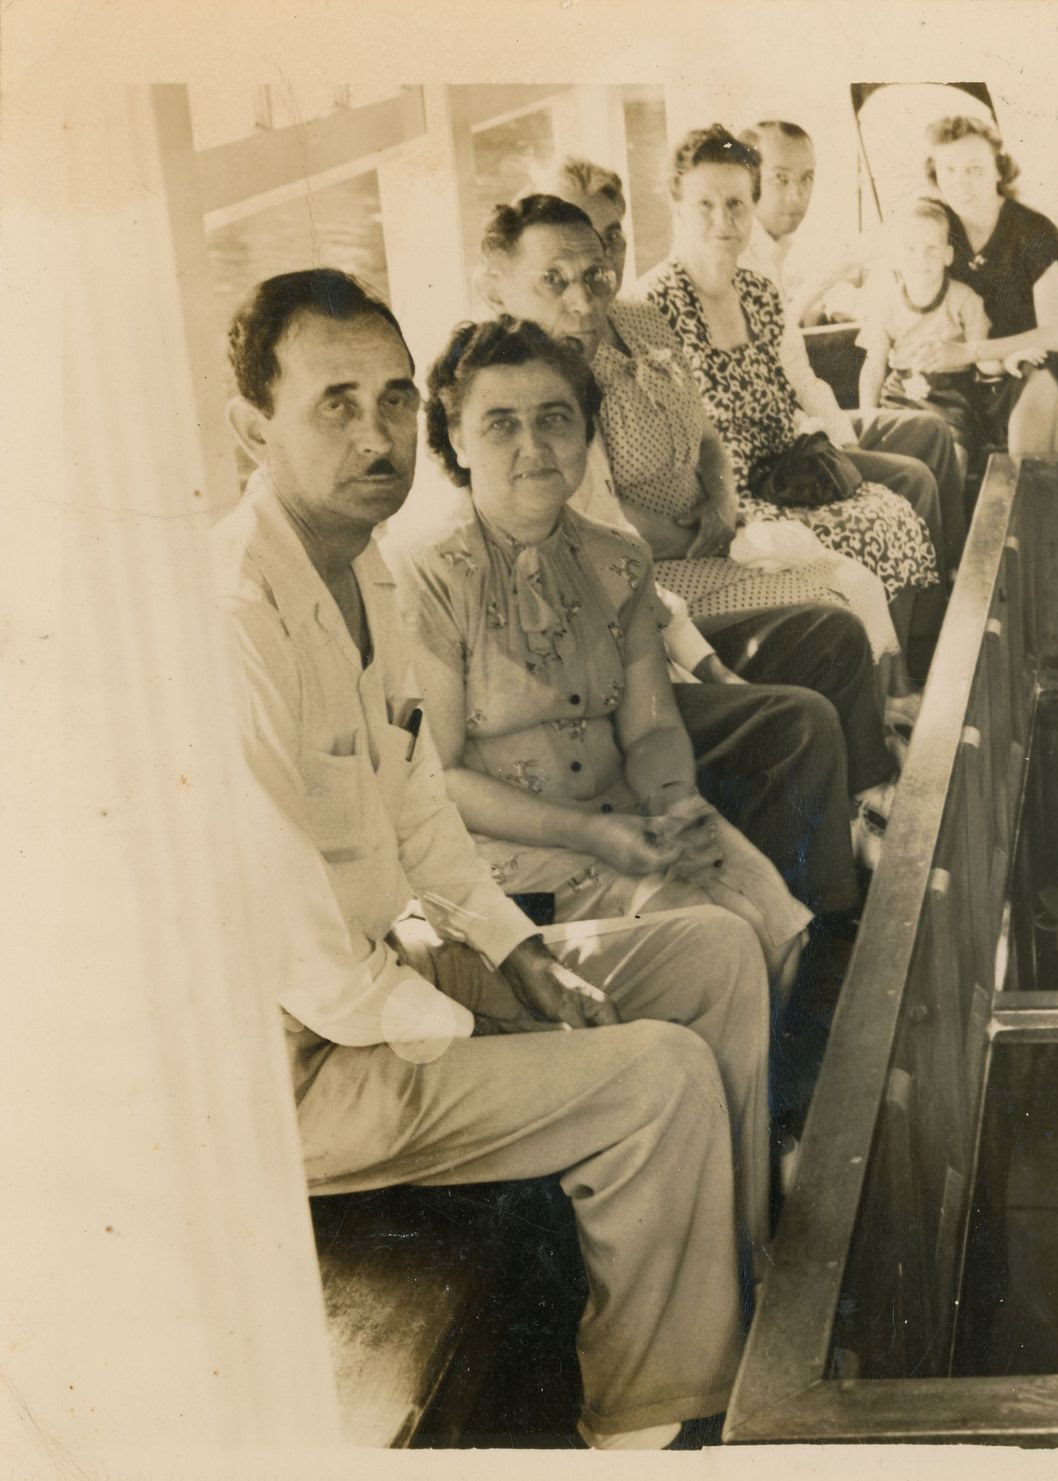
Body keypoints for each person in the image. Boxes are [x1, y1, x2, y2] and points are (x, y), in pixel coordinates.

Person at [212, 269, 761, 1450]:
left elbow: (416, 811)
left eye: (397, 400)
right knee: (656, 1074)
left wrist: (518, 954)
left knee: (709, 954)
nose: (378, 434)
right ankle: (649, 1425)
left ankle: (740, 1288)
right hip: (294, 1070)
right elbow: (298, 953)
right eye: (336, 403)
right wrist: (481, 1025)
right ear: (252, 426)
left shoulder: (358, 566)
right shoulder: (233, 616)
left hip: (384, 971)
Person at [474, 190, 899, 881]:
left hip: (650, 626)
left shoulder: (581, 379)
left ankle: (862, 814)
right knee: (803, 716)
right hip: (596, 682)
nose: (584, 302)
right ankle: (834, 915)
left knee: (835, 629)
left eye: (595, 276)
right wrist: (707, 665)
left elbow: (633, 545)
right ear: (493, 287)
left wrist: (720, 510)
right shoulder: (511, 414)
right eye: (553, 282)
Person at [636, 127, 946, 641]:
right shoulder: (653, 304)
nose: (723, 220)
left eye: (736, 204)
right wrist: (717, 500)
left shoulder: (758, 292)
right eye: (705, 205)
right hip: (725, 493)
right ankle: (883, 683)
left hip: (788, 469)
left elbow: (796, 382)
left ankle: (904, 682)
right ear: (677, 205)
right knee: (870, 526)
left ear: (752, 204)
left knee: (894, 510)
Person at [918, 113, 1058, 455]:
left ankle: (1027, 494)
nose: (961, 182)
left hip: (1043, 359)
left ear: (998, 170)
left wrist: (969, 351)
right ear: (935, 173)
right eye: (949, 170)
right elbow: (861, 259)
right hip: (976, 376)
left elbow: (1055, 336)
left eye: (975, 169)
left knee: (1044, 380)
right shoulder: (936, 226)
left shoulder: (1032, 230)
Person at [855, 198, 994, 472]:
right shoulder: (886, 303)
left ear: (948, 255)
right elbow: (873, 367)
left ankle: (949, 513)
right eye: (910, 249)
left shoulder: (965, 300)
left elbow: (984, 356)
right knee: (889, 460)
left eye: (931, 249)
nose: (920, 259)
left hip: (952, 396)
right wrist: (867, 419)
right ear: (895, 257)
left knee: (954, 458)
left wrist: (1010, 357)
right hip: (899, 395)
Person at [737, 118, 866, 330]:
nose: (797, 195)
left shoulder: (784, 248)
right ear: (748, 178)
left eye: (806, 178)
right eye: (781, 178)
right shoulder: (736, 255)